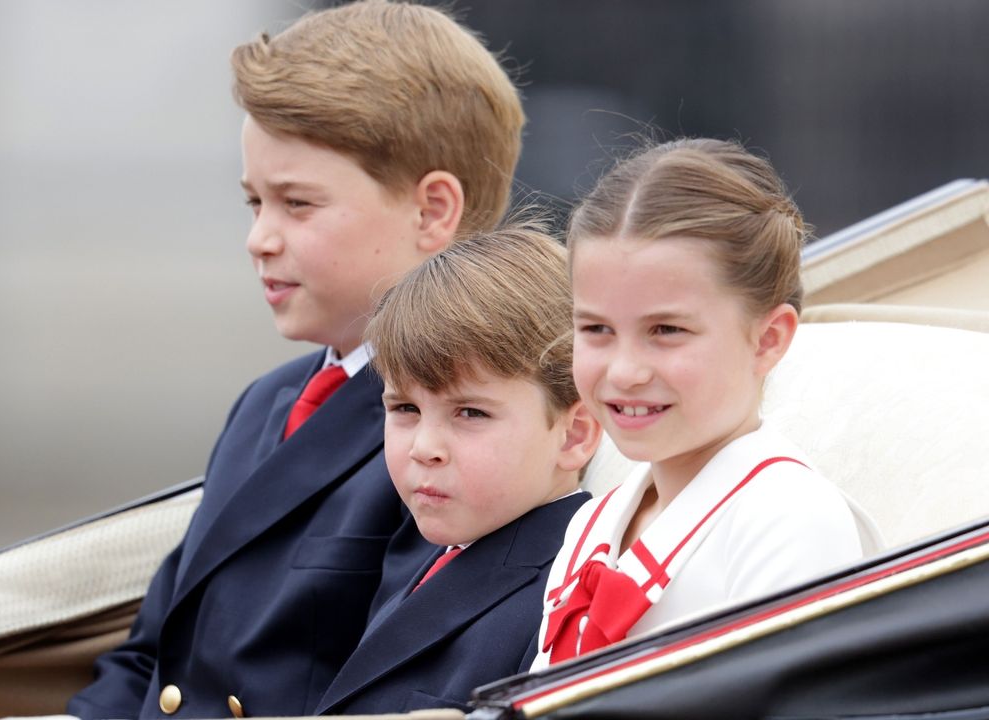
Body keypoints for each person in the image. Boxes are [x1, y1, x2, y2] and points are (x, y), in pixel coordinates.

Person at [67, 3, 525, 718]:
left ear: (433, 210)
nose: (259, 238)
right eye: (254, 202)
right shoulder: (268, 402)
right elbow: (152, 651)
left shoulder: (463, 438)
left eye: (297, 204)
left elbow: (391, 685)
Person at [532, 138, 882, 668]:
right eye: (596, 329)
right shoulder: (592, 523)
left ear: (768, 338)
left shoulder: (791, 520)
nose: (625, 371)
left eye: (667, 330)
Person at [315, 225, 600, 715]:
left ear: (573, 435)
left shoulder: (566, 601)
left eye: (470, 413)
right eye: (404, 408)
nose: (425, 447)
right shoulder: (437, 547)